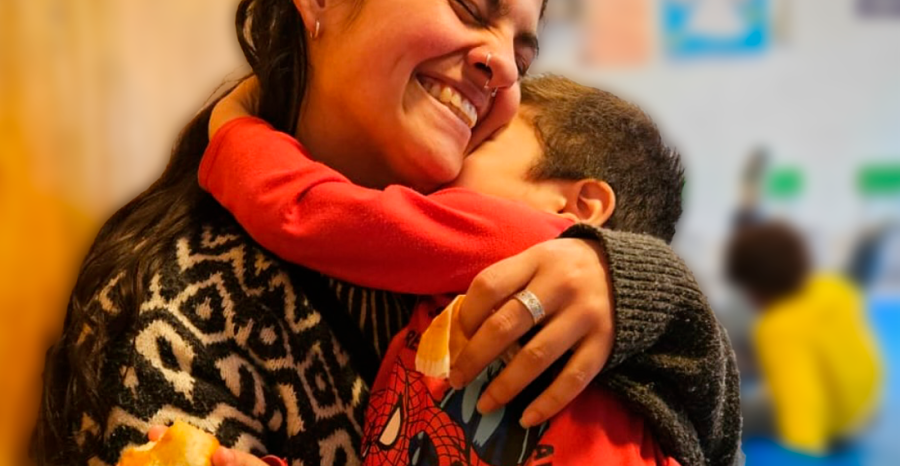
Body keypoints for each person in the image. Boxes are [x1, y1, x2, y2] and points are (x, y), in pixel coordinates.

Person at [35, 0, 739, 465]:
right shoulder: (189, 301)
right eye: (467, 4)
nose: (499, 67)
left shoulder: (531, 272)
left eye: (522, 60)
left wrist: (650, 291)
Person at [198, 73, 687, 465]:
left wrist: (233, 128)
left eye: (482, 144)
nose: (451, 157)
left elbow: (310, 213)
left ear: (579, 205)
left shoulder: (531, 237)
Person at [726, 221, 882, 456]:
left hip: (831, 425)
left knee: (732, 413)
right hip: (861, 408)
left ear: (754, 287)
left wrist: (803, 449)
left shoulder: (777, 328)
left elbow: (802, 403)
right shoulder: (832, 287)